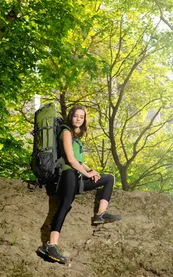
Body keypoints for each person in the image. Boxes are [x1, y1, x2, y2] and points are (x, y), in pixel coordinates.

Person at [39, 105, 121, 264]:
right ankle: (51, 245)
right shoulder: (66, 132)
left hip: (77, 175)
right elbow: (70, 160)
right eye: (76, 116)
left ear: (84, 120)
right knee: (65, 204)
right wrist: (86, 174)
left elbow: (78, 161)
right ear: (71, 117)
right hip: (67, 174)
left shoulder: (77, 137)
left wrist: (90, 170)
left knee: (108, 178)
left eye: (81, 117)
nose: (78, 119)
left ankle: (100, 214)